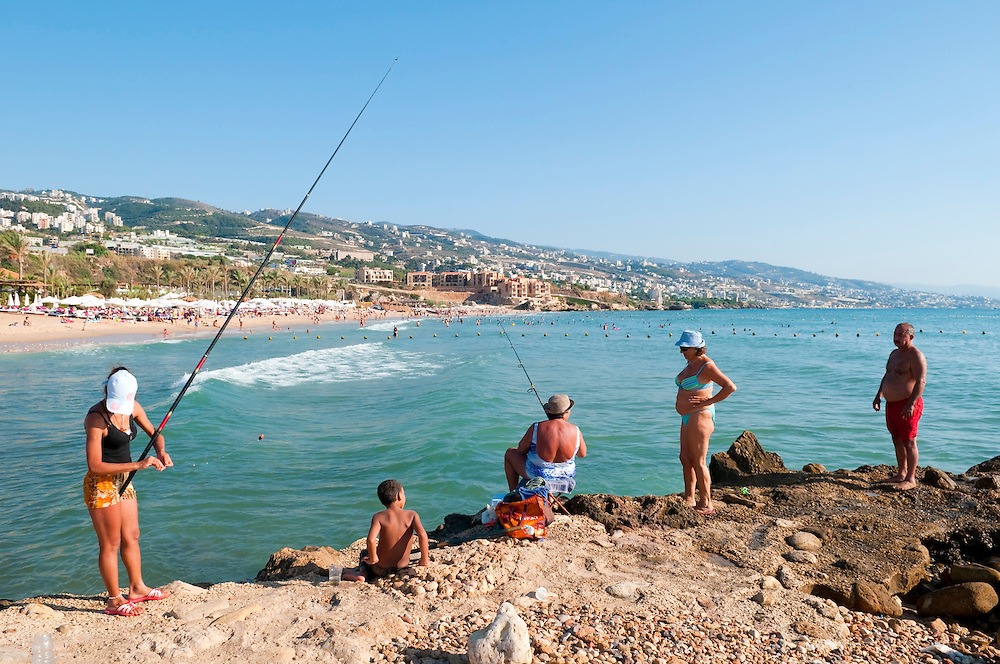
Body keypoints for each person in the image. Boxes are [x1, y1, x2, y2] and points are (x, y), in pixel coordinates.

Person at [84, 367, 173, 616]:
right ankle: (114, 599)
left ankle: (137, 588)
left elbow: (156, 434)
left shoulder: (133, 407)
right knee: (110, 543)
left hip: (125, 479)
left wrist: (160, 451)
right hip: (101, 485)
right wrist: (139, 465)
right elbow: (95, 465)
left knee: (132, 535)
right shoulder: (96, 418)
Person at [674, 331, 736, 515]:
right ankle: (689, 498)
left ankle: (706, 503)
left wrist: (708, 401)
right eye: (681, 347)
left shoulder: (707, 366)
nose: (681, 351)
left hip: (700, 415)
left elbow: (730, 387)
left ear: (697, 348)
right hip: (687, 416)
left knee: (699, 461)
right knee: (685, 458)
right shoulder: (690, 363)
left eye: (685, 348)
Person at [872, 322, 927, 491]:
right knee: (896, 439)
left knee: (909, 441)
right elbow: (888, 375)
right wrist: (879, 395)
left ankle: (911, 479)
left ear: (910, 337)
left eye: (900, 335)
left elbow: (921, 381)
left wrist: (911, 404)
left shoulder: (916, 356)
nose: (896, 338)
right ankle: (901, 473)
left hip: (908, 404)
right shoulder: (894, 354)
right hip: (892, 405)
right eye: (894, 334)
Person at [342, 479, 430, 582]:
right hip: (402, 567)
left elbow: (371, 540)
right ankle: (361, 572)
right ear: (399, 496)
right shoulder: (412, 515)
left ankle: (361, 574)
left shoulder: (378, 517)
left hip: (380, 569)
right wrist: (424, 560)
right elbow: (422, 535)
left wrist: (373, 558)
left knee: (365, 553)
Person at [504, 394, 587, 492]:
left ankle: (513, 493)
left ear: (548, 411)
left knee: (510, 453)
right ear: (566, 413)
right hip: (565, 475)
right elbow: (582, 454)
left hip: (538, 475)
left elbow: (521, 450)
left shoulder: (536, 427)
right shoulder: (575, 430)